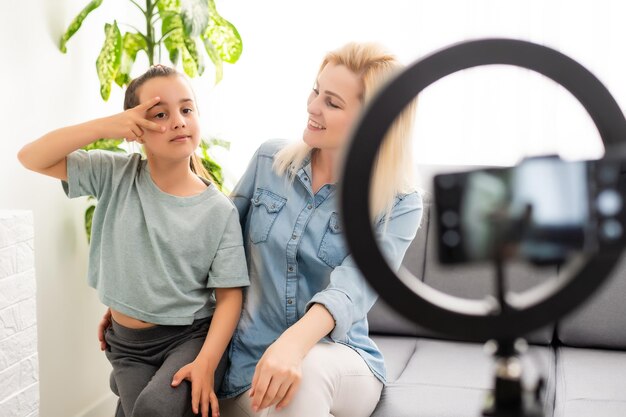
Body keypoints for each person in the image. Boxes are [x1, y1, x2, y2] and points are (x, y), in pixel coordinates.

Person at [18, 65, 249, 417]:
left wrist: (206, 362)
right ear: (136, 128)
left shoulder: (218, 211)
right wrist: (106, 126)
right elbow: (31, 157)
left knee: (151, 409)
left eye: (187, 109)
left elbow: (231, 295)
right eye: (160, 114)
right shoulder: (115, 176)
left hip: (189, 339)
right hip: (126, 346)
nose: (178, 121)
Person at [217, 42, 423, 416]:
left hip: (340, 361)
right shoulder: (269, 161)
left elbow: (353, 288)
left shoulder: (399, 203)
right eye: (316, 90)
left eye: (332, 102)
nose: (312, 107)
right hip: (245, 368)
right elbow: (217, 247)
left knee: (304, 375)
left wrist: (293, 345)